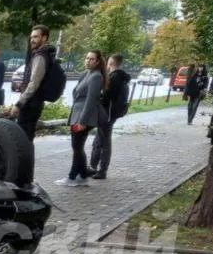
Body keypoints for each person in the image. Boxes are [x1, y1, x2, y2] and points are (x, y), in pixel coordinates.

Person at [55, 50, 107, 186]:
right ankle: (83, 175)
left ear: (97, 62)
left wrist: (82, 121)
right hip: (78, 114)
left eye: (91, 59)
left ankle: (72, 178)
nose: (88, 61)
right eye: (87, 58)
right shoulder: (86, 74)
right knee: (77, 147)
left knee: (77, 147)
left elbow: (90, 100)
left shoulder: (96, 76)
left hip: (84, 117)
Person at [88, 53, 131, 180]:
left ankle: (101, 170)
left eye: (108, 60)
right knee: (100, 140)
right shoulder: (121, 77)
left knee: (104, 141)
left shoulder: (114, 78)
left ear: (111, 62)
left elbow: (107, 96)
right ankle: (93, 167)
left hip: (107, 113)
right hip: (112, 113)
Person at [13, 25, 58, 142]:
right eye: (31, 37)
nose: (32, 40)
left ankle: (25, 160)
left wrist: (19, 103)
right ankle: (26, 159)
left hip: (31, 104)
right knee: (27, 137)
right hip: (35, 102)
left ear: (44, 38)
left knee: (23, 138)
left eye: (36, 37)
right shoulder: (46, 54)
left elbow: (34, 83)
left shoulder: (40, 56)